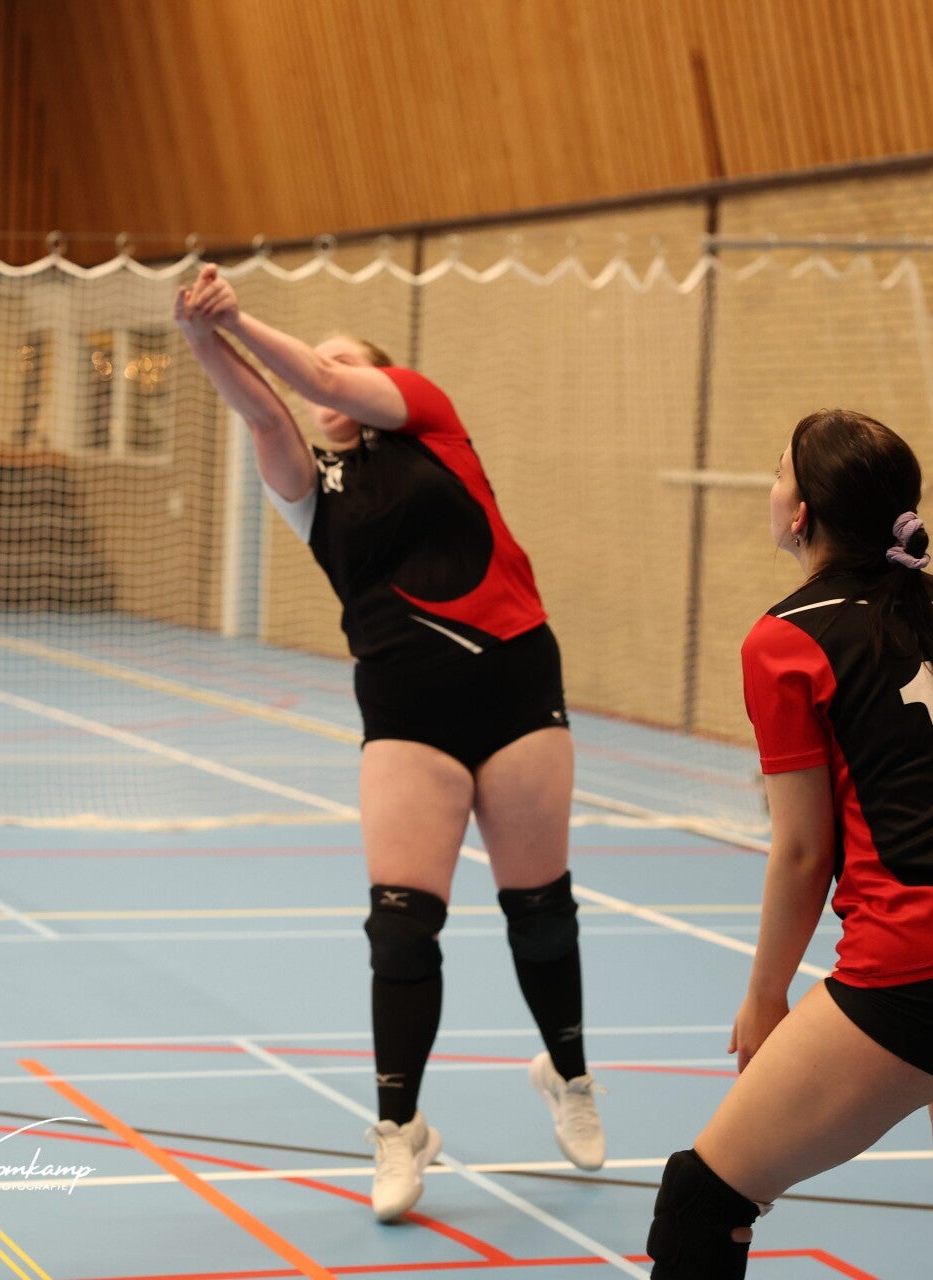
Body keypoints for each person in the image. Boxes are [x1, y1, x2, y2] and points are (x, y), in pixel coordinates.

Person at [173, 263, 604, 1221]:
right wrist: (204, 336)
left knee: (540, 909)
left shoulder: (431, 424)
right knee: (403, 925)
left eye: (338, 362)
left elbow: (318, 379)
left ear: (381, 377)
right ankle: (400, 1129)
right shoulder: (311, 486)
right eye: (311, 368)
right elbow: (266, 412)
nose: (318, 379)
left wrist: (243, 315)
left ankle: (569, 1074)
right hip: (408, 713)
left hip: (516, 687)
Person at [645, 410, 933, 1279]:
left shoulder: (786, 638)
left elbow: (804, 852)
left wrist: (764, 996)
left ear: (802, 512)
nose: (771, 488)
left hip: (927, 968)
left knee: (702, 1201)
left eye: (778, 472)